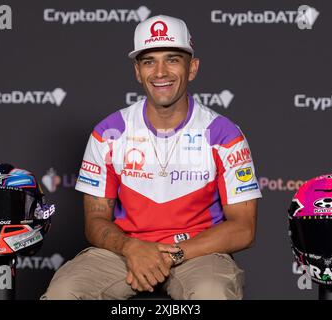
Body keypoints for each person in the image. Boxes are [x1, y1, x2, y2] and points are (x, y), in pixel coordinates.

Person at [41, 14, 262, 300]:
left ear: (192, 68)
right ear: (137, 71)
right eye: (149, 61)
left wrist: (168, 255)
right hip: (124, 251)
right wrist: (131, 248)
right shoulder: (109, 132)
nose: (160, 72)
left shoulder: (223, 134)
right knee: (64, 292)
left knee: (213, 292)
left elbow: (244, 228)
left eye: (172, 59)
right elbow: (95, 219)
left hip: (197, 252)